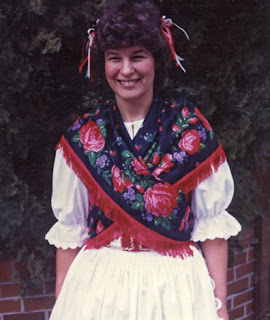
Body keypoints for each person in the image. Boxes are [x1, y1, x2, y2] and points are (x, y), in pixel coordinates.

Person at [45, 0, 241, 319]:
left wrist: (220, 308)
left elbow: (212, 228)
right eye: (114, 58)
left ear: (156, 60)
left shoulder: (188, 129)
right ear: (103, 63)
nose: (126, 70)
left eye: (137, 56)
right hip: (100, 286)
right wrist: (62, 306)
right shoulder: (85, 136)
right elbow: (70, 232)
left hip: (176, 287)